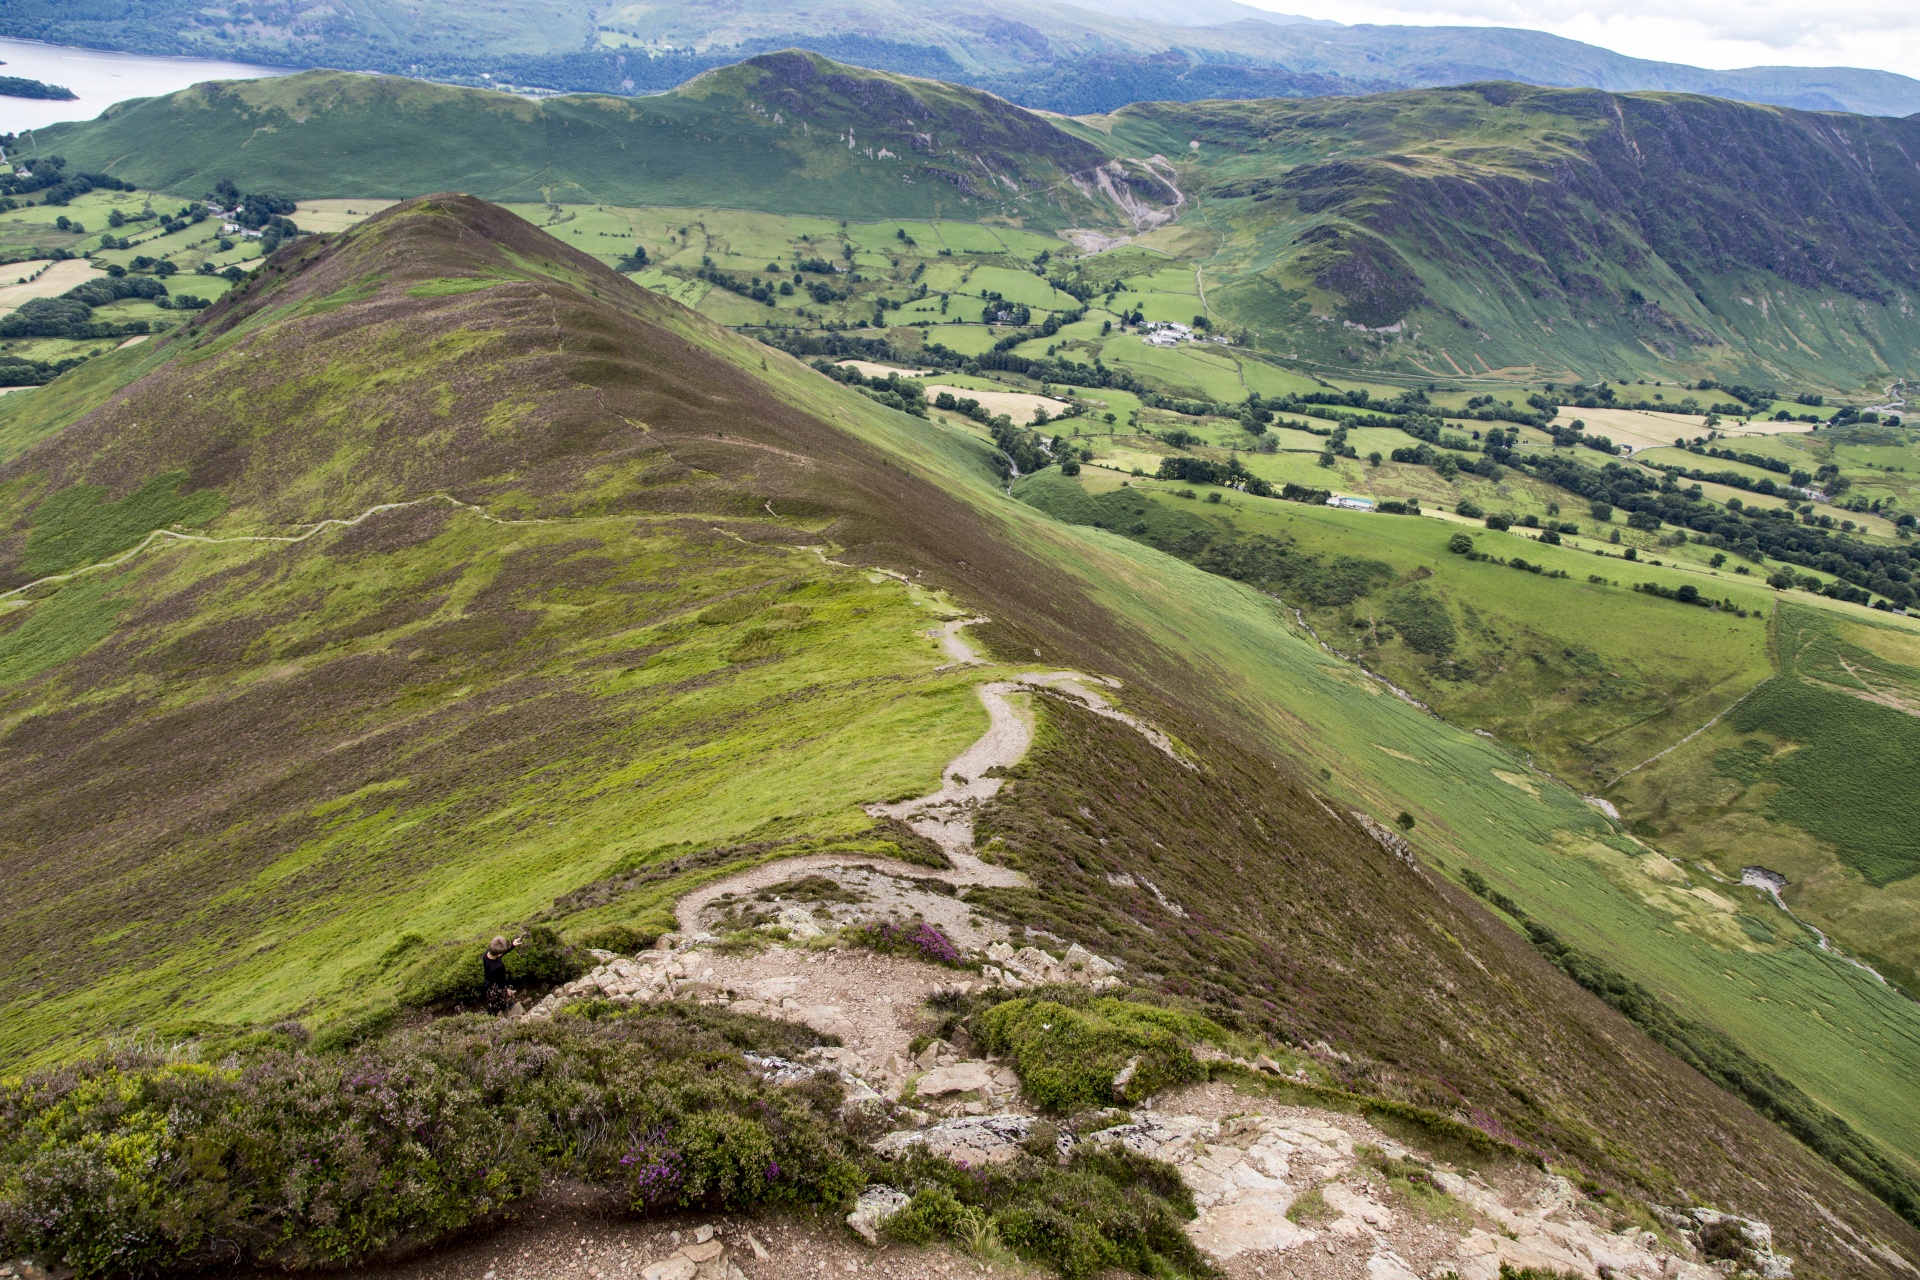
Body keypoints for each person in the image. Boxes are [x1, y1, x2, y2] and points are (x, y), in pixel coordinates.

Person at [483, 933, 525, 1014]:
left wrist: (513, 945)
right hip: (494, 986)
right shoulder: (498, 967)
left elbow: (499, 953)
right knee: (495, 1002)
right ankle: (493, 1014)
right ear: (499, 954)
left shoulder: (487, 953)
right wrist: (505, 991)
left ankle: (498, 1007)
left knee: (493, 999)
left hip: (487, 982)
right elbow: (499, 982)